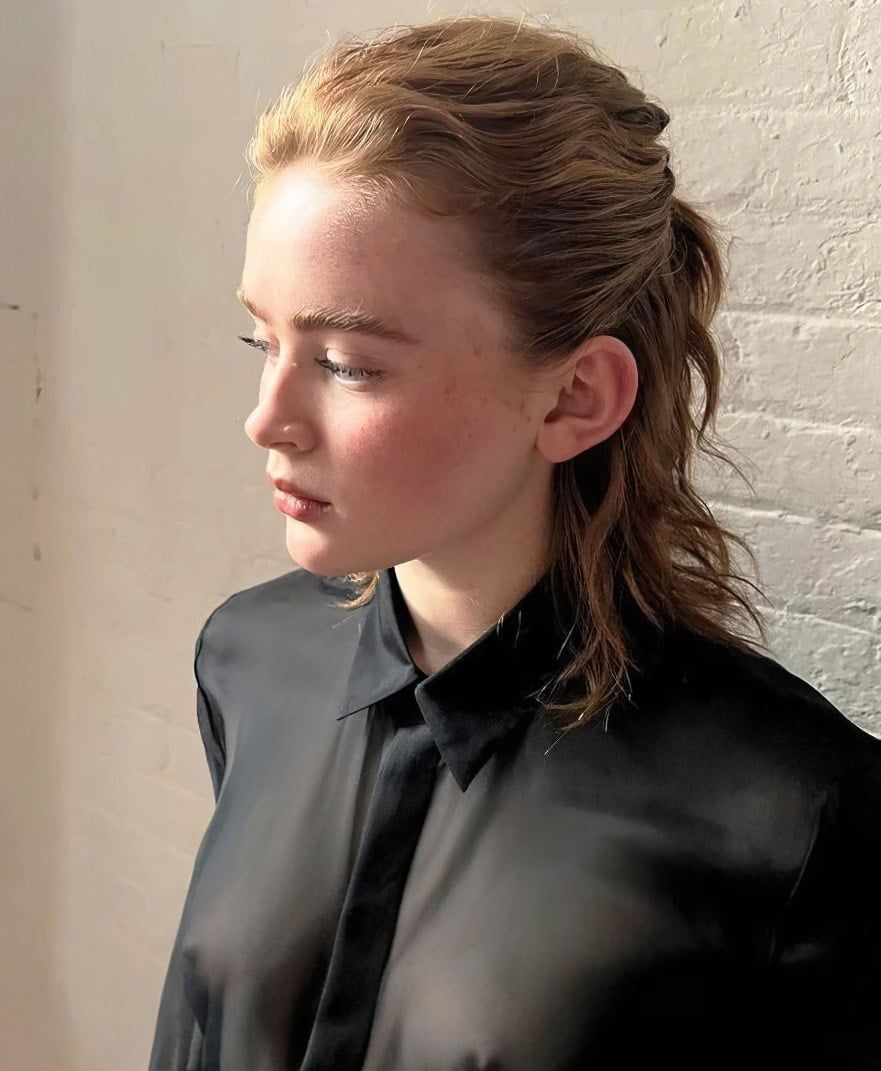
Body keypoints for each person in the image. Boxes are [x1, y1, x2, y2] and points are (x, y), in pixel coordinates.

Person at [148, 13, 881, 1071]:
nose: (267, 419)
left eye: (349, 363)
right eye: (262, 338)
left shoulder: (792, 812)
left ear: (575, 396)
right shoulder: (247, 662)